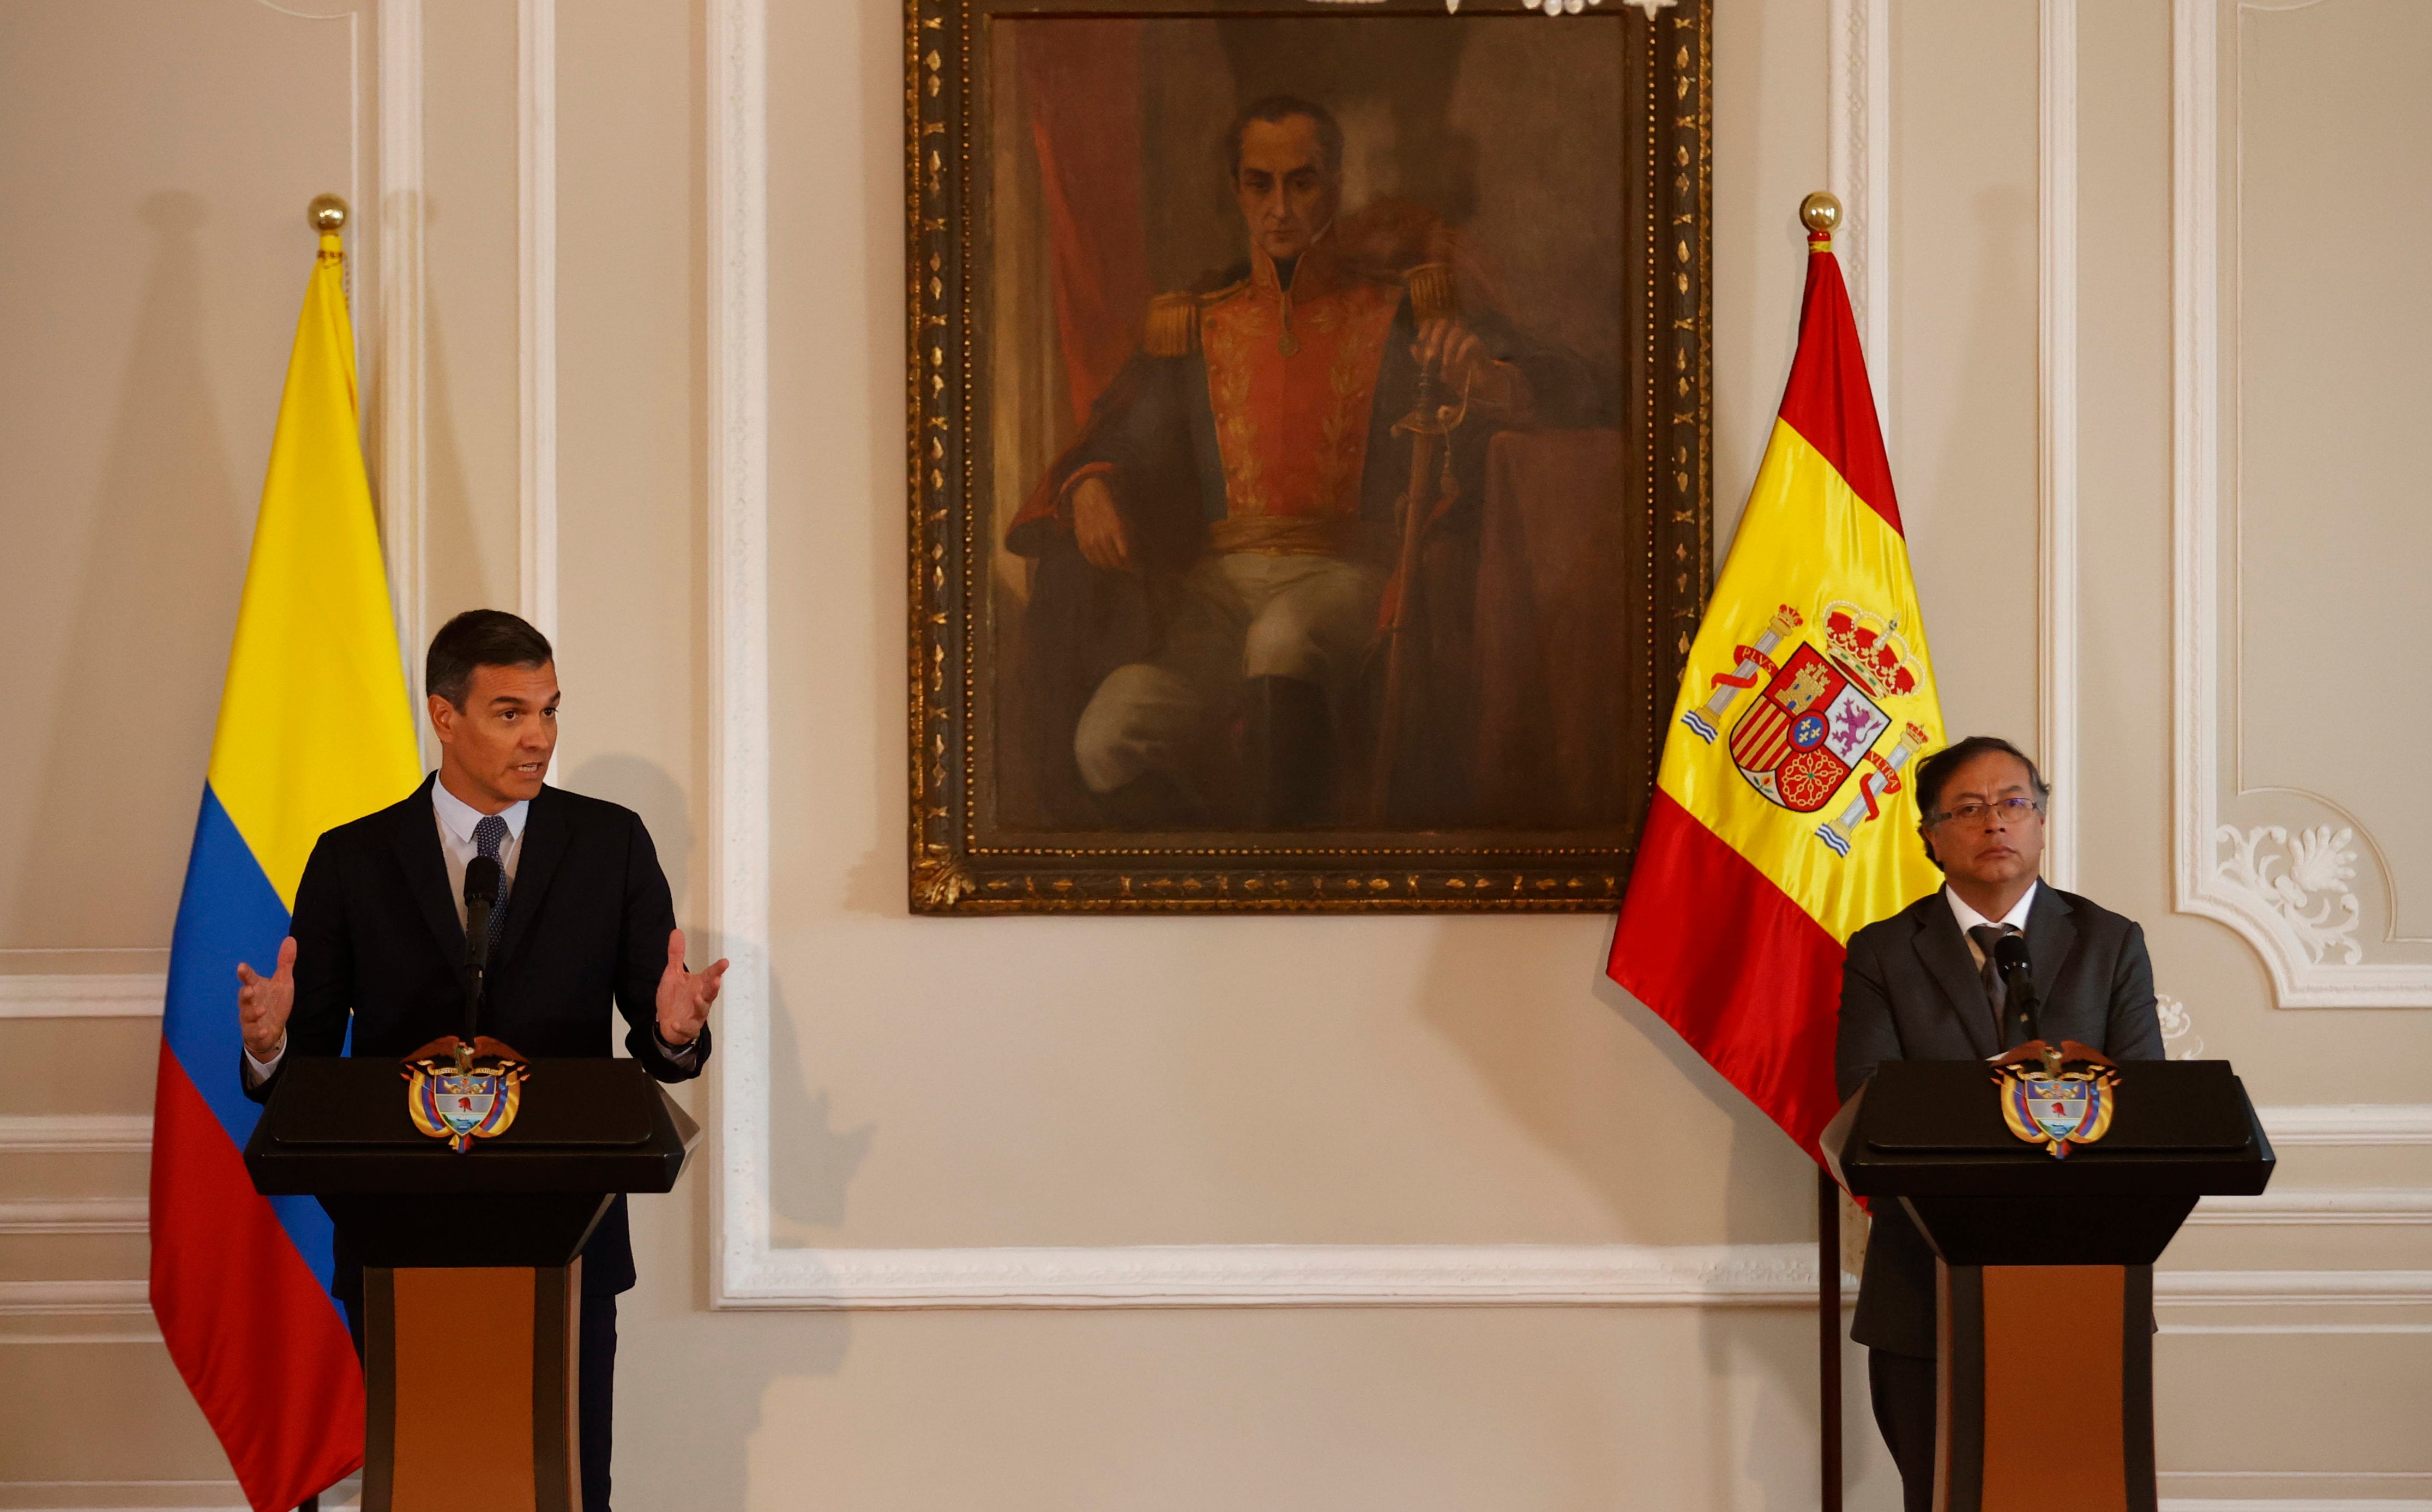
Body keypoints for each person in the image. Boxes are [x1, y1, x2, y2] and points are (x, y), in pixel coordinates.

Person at [233, 609, 723, 1512]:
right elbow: (307, 1069)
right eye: (510, 712)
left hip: (566, 1236)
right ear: (443, 715)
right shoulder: (352, 859)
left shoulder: (609, 844)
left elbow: (655, 1041)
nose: (539, 735)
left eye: (549, 709)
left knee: (565, 1485)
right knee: (424, 1480)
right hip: (397, 1238)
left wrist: (676, 1030)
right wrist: (267, 1047)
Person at [1004, 93, 1598, 829]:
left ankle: (1297, 873)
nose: (1280, 208)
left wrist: (1493, 380)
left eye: (1302, 182)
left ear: (1337, 182)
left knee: (1283, 636)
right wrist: (1093, 482)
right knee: (1108, 735)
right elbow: (1129, 436)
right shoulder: (1199, 321)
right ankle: (1226, 888)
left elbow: (1576, 381)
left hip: (1348, 578)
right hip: (1214, 597)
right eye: (1261, 184)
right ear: (1238, 192)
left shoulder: (1403, 309)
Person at [1833, 734, 2163, 1511]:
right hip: (1924, 1285)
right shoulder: (1884, 952)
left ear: (2043, 821)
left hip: (2084, 1279)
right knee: (1942, 1491)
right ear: (1929, 835)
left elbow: (2144, 1103)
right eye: (1970, 808)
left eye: (2015, 803)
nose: (1996, 823)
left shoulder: (2110, 942)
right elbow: (1869, 1107)